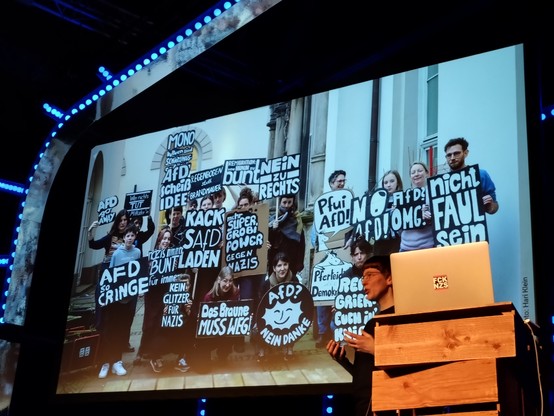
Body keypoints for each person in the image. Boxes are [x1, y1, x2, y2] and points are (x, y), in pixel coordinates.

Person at [326, 255, 395, 416]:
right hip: (364, 408)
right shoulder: (371, 324)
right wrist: (343, 361)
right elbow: (365, 377)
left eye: (370, 275)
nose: (363, 281)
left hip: (388, 407)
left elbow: (412, 366)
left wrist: (375, 349)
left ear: (390, 278)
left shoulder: (401, 318)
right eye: (363, 277)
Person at [97, 224, 141, 378]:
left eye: (132, 236)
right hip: (115, 300)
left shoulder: (137, 252)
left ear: (135, 237)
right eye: (127, 235)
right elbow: (111, 277)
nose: (130, 238)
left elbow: (137, 274)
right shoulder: (116, 254)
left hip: (128, 300)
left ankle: (117, 361)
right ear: (124, 237)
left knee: (122, 331)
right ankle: (106, 363)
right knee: (110, 330)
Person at [312, 169, 347, 347]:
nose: (341, 183)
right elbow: (314, 234)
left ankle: (335, 329)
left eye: (343, 181)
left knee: (338, 295)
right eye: (338, 181)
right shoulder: (321, 206)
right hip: (324, 255)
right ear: (331, 183)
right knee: (321, 296)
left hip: (343, 255)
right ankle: (322, 332)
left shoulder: (348, 204)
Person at [88, 209, 129, 331]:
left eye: (125, 220)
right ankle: (99, 333)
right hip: (107, 274)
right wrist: (90, 231)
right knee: (102, 304)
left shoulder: (130, 236)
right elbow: (94, 245)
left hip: (121, 277)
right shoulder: (110, 237)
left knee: (116, 308)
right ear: (117, 222)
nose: (123, 222)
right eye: (120, 220)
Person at [256, 252, 300, 361]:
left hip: (289, 315)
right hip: (271, 316)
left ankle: (289, 349)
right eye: (279, 265)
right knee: (257, 328)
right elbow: (260, 307)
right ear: (274, 268)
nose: (282, 268)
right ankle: (262, 351)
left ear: (288, 265)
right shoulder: (266, 284)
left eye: (285, 264)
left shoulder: (294, 280)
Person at [197, 266, 242, 363]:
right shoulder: (208, 297)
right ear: (219, 280)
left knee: (225, 350)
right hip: (210, 334)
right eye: (225, 281)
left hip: (227, 331)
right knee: (203, 368)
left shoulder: (235, 292)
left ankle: (223, 355)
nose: (228, 284)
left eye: (230, 281)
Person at [444, 137, 499, 215]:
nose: (452, 158)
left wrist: (490, 205)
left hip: (475, 226)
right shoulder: (441, 182)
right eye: (449, 155)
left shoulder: (480, 175)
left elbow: (494, 207)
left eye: (456, 153)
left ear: (465, 153)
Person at [267, 193, 306, 277]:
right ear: (280, 202)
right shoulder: (273, 219)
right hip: (275, 258)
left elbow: (301, 243)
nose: (286, 205)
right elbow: (268, 242)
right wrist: (273, 229)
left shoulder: (297, 221)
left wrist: (300, 263)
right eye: (284, 202)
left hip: (292, 258)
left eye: (289, 202)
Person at [399, 161, 434, 252]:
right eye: (413, 172)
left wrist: (431, 217)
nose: (416, 174)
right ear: (410, 177)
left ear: (427, 173)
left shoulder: (434, 193)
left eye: (419, 171)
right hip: (405, 248)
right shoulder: (403, 197)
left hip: (427, 247)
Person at [372, 170, 403, 255]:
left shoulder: (404, 199)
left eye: (392, 181)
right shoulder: (377, 202)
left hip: (397, 240)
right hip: (380, 241)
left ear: (398, 183)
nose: (388, 185)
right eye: (385, 182)